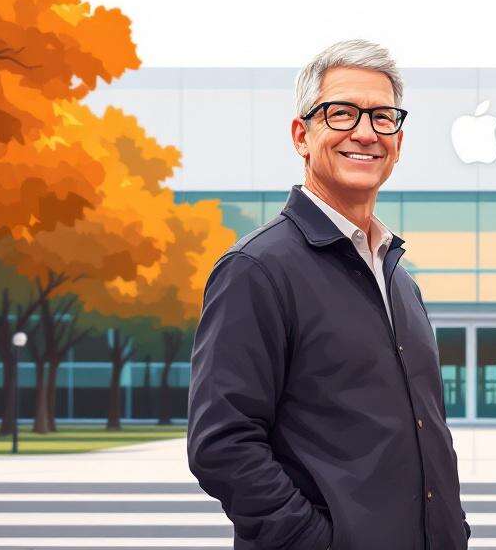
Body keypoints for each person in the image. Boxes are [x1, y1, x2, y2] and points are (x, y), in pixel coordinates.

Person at [187, 39, 469, 550]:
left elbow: (425, 432)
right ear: (302, 135)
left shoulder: (399, 279)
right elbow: (222, 444)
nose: (365, 132)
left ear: (399, 141)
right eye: (341, 113)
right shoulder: (256, 270)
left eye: (383, 117)